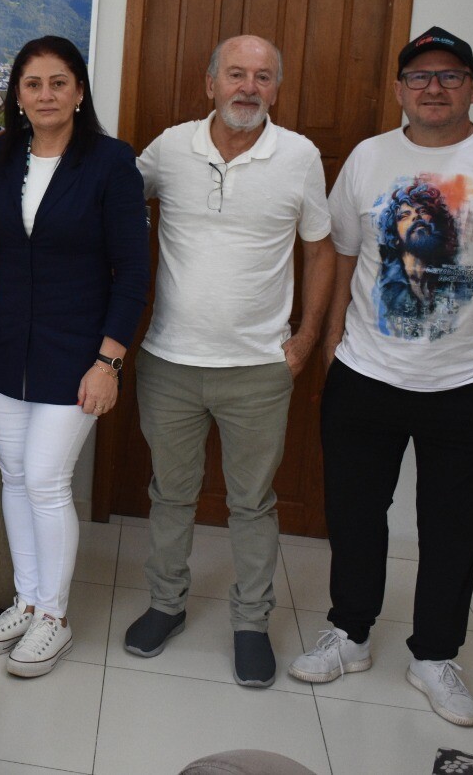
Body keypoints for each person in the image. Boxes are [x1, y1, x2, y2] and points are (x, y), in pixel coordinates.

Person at [289, 26, 473, 727]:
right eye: (419, 76)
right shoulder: (368, 158)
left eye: (450, 75)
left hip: (471, 386)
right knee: (355, 515)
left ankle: (435, 656)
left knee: (454, 528)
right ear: (399, 89)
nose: (434, 87)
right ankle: (350, 633)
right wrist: (331, 349)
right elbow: (343, 255)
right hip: (366, 374)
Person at [123, 35, 334, 688]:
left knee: (253, 503)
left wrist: (304, 340)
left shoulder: (298, 157)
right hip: (169, 361)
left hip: (259, 369)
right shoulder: (170, 148)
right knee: (170, 495)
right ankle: (166, 605)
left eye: (262, 77)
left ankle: (251, 623)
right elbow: (110, 200)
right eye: (236, 74)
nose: (248, 87)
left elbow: (321, 250)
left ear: (276, 89)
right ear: (209, 83)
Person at [0, 36, 149, 677]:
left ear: (78, 92)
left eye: (58, 82)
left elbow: (133, 271)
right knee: (15, 476)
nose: (45, 95)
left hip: (77, 353)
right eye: (32, 84)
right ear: (17, 96)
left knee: (47, 481)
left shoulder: (110, 161)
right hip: (3, 350)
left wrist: (110, 362)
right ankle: (25, 600)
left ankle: (54, 616)